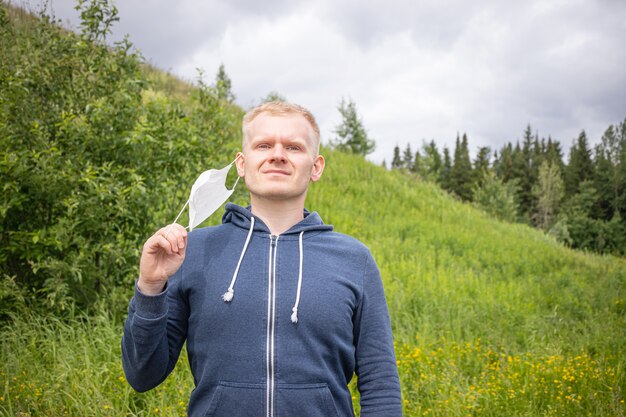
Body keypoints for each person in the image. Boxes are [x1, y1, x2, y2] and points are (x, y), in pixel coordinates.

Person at [122, 101, 402, 417]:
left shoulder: (354, 260)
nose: (277, 154)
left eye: (294, 147)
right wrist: (150, 287)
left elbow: (381, 386)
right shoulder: (193, 251)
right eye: (264, 145)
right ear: (242, 163)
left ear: (316, 166)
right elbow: (142, 375)